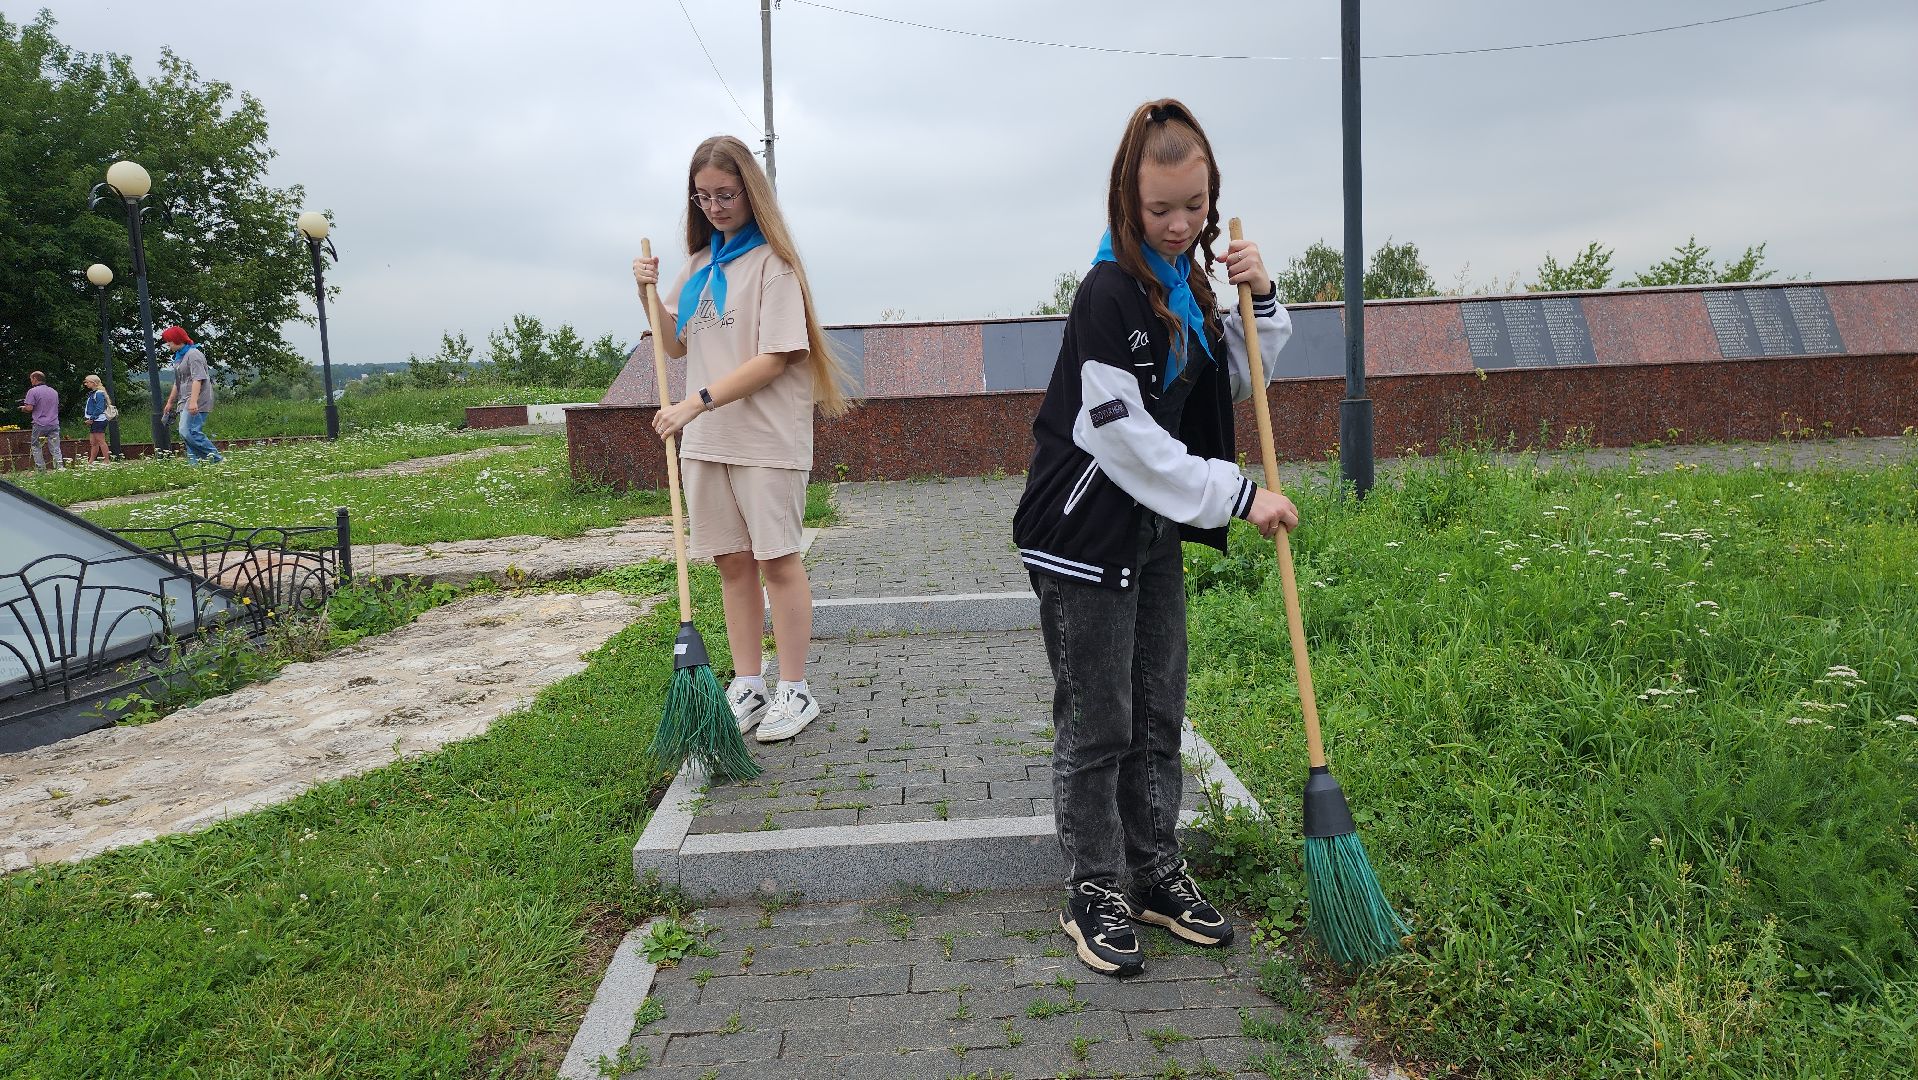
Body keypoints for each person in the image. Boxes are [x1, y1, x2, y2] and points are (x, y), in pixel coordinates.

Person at [1012, 99, 1299, 978]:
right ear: (1125, 204)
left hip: (1151, 532)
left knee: (1159, 711)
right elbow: (1123, 438)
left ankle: (1155, 870)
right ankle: (1094, 886)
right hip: (1082, 531)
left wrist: (1266, 295)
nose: (1181, 225)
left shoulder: (1194, 290)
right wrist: (1235, 494)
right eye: (1161, 209)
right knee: (1098, 722)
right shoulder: (1105, 297)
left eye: (1196, 205)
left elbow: (1238, 380)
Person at [630, 134, 854, 746]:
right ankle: (750, 681)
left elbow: (777, 358)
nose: (715, 207)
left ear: (750, 192)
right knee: (731, 562)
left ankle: (795, 688)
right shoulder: (701, 267)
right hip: (706, 439)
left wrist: (694, 402)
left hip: (763, 437)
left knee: (776, 561)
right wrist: (646, 293)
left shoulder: (774, 267)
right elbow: (674, 344)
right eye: (702, 198)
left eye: (725, 195)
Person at [158, 325, 224, 465]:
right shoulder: (179, 357)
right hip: (185, 399)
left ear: (176, 340)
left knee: (189, 431)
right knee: (186, 434)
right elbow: (178, 382)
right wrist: (170, 402)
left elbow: (198, 379)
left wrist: (193, 402)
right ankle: (194, 465)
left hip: (197, 399)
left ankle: (217, 459)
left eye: (168, 341)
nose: (167, 345)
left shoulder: (193, 354)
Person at [19, 371, 61, 471]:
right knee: (55, 447)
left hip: (40, 423)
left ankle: (41, 469)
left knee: (36, 445)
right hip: (54, 423)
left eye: (31, 379)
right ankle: (59, 467)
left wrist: (22, 408)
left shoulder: (32, 391)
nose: (31, 381)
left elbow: (29, 408)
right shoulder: (53, 391)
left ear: (35, 379)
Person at [82, 374, 112, 464]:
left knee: (100, 440)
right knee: (93, 442)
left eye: (87, 382)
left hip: (98, 420)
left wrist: (92, 418)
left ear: (93, 383)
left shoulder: (98, 393)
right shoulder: (94, 393)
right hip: (95, 420)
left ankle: (106, 460)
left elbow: (99, 408)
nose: (86, 384)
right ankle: (91, 460)